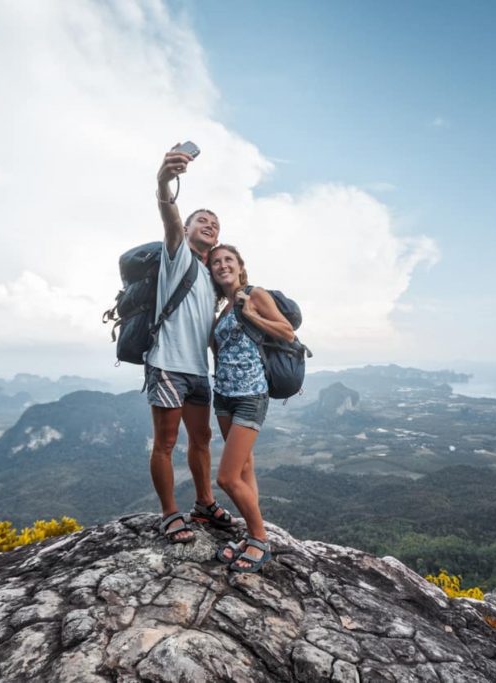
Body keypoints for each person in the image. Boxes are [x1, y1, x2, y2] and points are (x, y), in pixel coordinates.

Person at [148, 146, 235, 543]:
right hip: (167, 363)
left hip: (198, 371)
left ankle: (204, 503)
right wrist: (165, 181)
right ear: (187, 229)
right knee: (165, 442)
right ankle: (169, 513)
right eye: (202, 219)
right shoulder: (177, 253)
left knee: (201, 440)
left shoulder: (210, 277)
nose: (210, 225)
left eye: (216, 223)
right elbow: (169, 214)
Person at [207, 244, 295, 572]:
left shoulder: (253, 295)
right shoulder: (222, 309)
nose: (222, 265)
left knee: (227, 478)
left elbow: (287, 332)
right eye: (216, 262)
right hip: (224, 396)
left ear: (240, 266)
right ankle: (250, 535)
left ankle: (260, 539)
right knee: (244, 470)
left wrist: (252, 315)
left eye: (228, 259)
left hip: (250, 395)